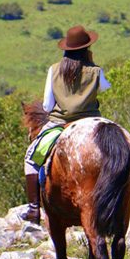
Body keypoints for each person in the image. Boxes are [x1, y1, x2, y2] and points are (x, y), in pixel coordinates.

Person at [23, 25, 111, 224]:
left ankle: (34, 209)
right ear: (87, 49)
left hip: (59, 124)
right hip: (91, 121)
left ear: (66, 49)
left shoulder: (54, 70)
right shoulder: (95, 70)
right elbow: (105, 88)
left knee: (31, 158)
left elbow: (46, 105)